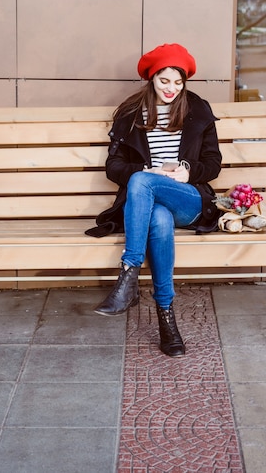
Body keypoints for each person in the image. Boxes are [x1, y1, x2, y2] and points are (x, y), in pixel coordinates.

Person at [86, 43, 222, 357]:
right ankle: (167, 319)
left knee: (142, 181)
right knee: (156, 213)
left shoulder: (197, 109)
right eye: (164, 81)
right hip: (149, 205)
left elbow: (213, 163)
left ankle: (128, 273)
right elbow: (114, 167)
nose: (171, 88)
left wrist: (187, 172)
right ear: (151, 79)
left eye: (178, 82)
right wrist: (148, 171)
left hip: (188, 200)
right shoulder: (131, 113)